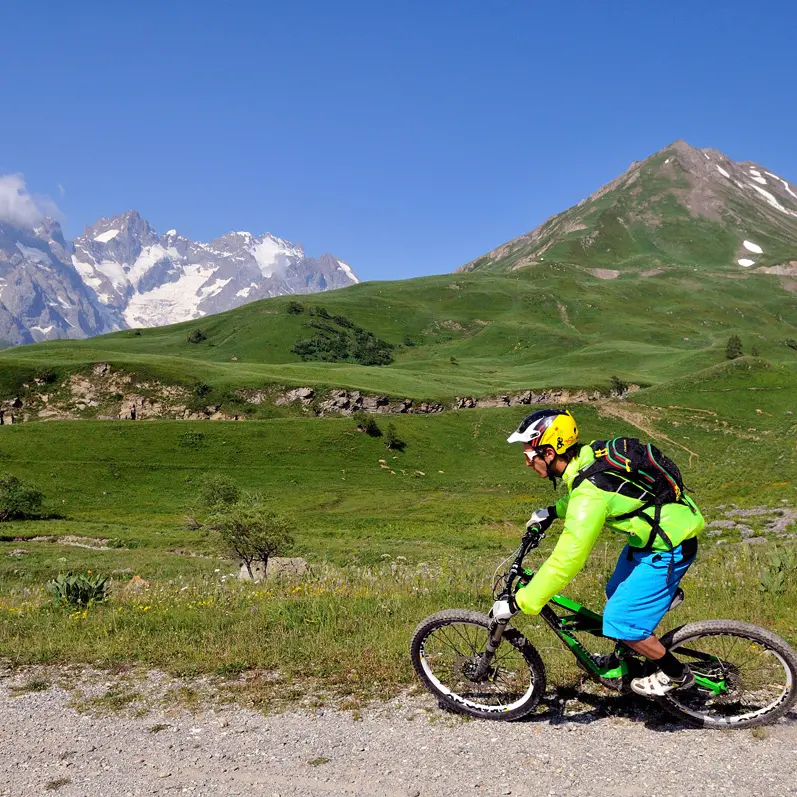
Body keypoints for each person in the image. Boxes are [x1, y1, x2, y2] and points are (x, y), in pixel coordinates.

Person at [491, 408, 704, 697]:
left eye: (529, 454)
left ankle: (676, 675)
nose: (527, 461)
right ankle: (639, 632)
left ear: (550, 453)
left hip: (669, 547)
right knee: (614, 591)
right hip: (655, 537)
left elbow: (567, 559)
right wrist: (553, 512)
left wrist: (521, 602)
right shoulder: (588, 457)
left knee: (621, 621)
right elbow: (597, 491)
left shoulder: (588, 495)